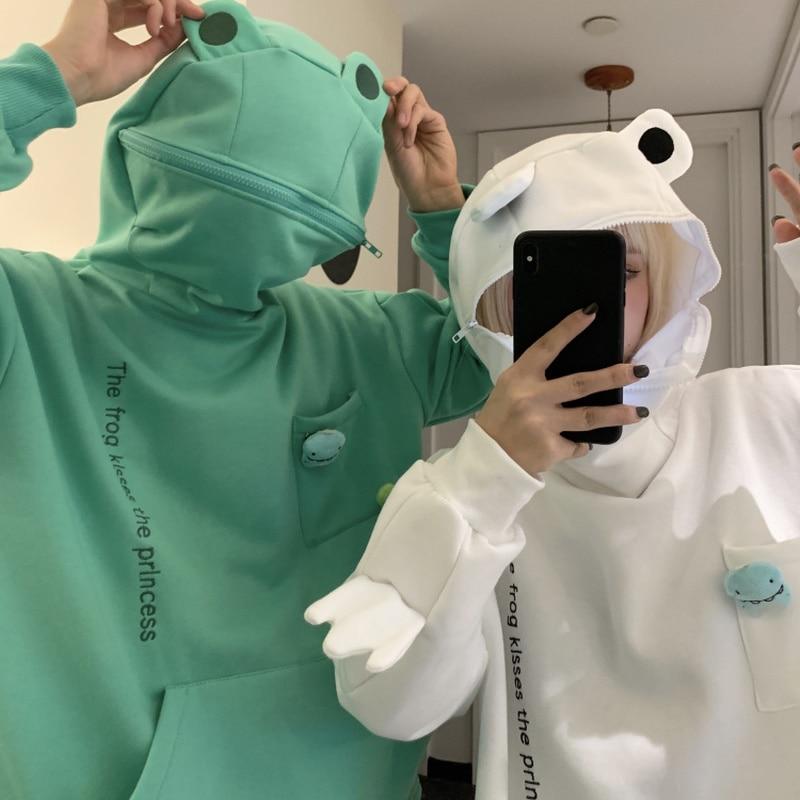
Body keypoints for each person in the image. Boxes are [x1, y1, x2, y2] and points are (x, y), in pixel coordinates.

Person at [0, 1, 491, 797]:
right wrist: (56, 73)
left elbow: (527, 363)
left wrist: (445, 214)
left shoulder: (366, 341)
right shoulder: (32, 324)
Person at [307, 108, 800, 799]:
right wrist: (485, 481)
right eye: (540, 287)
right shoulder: (463, 496)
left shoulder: (771, 410)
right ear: (490, 305)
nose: (588, 312)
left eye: (624, 271)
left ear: (666, 280)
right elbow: (391, 704)